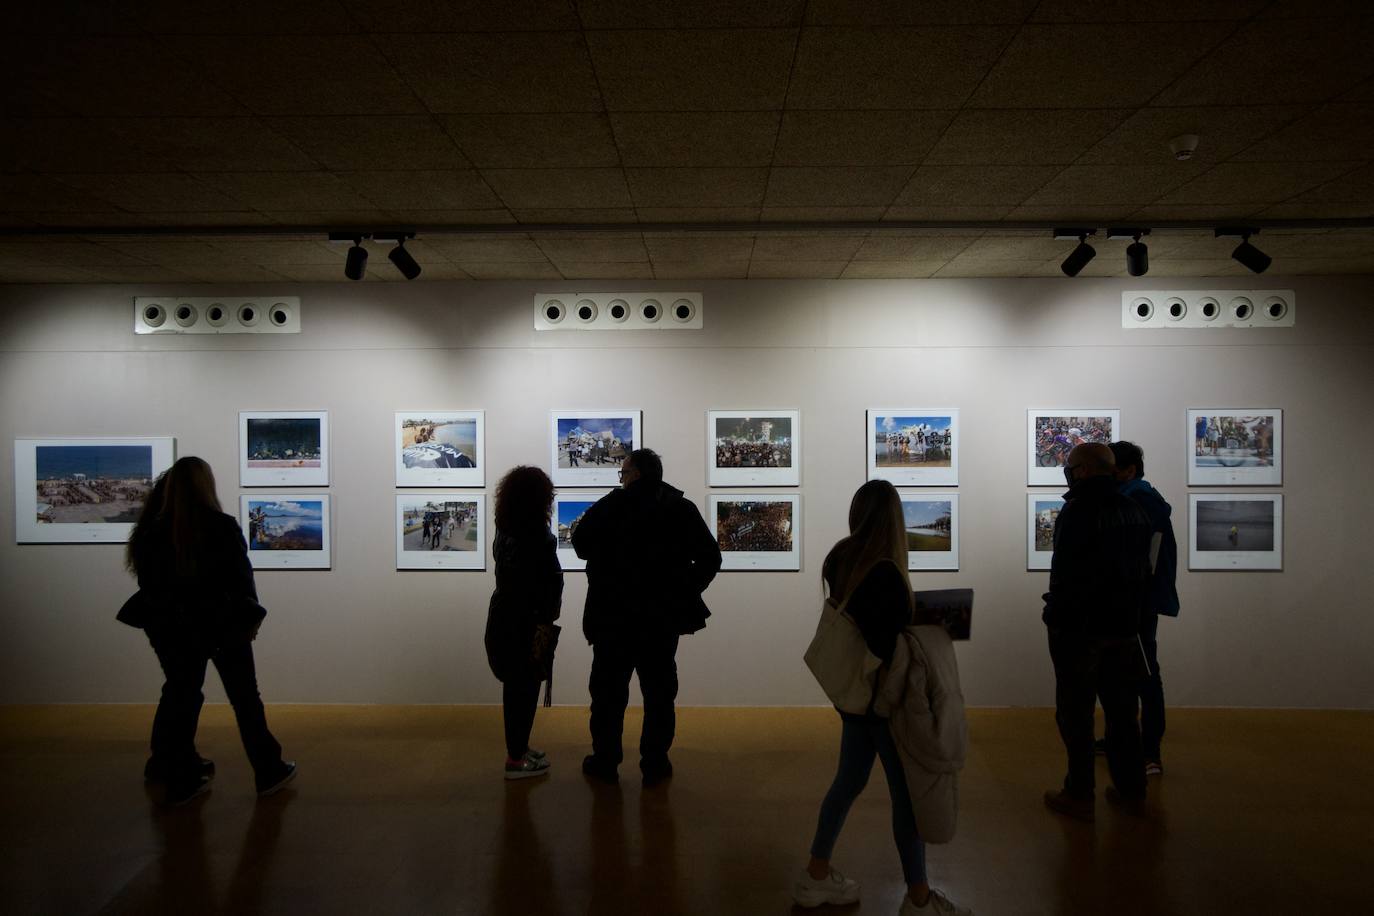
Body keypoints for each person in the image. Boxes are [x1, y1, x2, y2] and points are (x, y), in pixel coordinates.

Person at [795, 480, 971, 916]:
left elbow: (864, 621)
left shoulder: (841, 556)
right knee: (906, 795)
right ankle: (919, 899)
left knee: (848, 782)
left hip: (855, 698)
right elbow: (885, 641)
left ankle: (816, 876)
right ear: (894, 517)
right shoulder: (886, 570)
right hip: (881, 703)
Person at [121, 457, 296, 806]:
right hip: (222, 624)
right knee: (244, 697)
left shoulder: (150, 531)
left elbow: (148, 583)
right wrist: (249, 621)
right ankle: (268, 769)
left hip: (170, 626)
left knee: (180, 693)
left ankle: (173, 768)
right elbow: (240, 580)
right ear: (206, 485)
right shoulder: (219, 527)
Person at [571, 448, 721, 786]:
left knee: (608, 695)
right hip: (661, 619)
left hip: (613, 618)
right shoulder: (680, 508)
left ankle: (606, 760)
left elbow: (580, 545)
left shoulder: (610, 506)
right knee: (659, 693)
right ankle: (655, 762)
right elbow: (711, 558)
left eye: (622, 473)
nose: (621, 479)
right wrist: (685, 589)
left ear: (635, 473)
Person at [1042, 443, 1152, 822]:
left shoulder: (1078, 512)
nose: (1067, 472)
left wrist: (1055, 613)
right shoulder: (1133, 510)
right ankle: (1132, 788)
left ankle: (1079, 792)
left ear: (1085, 470)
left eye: (1070, 466)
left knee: (1076, 714)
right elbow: (1142, 573)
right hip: (1123, 629)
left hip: (1081, 630)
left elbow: (1068, 574)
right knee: (1123, 714)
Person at [485, 466, 563, 780]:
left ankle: (518, 748)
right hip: (526, 620)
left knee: (517, 686)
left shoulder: (504, 528)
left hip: (504, 614)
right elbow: (543, 581)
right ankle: (516, 759)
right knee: (525, 687)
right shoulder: (537, 536)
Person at [1106, 441, 1179, 777]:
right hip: (1126, 600)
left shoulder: (1142, 501)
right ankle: (1120, 739)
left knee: (1145, 675)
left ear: (1128, 469)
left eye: (1110, 467)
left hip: (1135, 603)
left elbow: (1145, 559)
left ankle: (1150, 752)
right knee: (1119, 675)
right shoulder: (1132, 498)